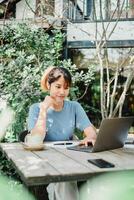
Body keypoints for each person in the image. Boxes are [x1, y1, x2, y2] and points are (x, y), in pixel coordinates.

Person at [27, 66, 97, 200]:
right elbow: (36, 139)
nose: (62, 92)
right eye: (58, 87)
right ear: (49, 85)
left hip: (69, 158)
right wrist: (43, 109)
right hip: (45, 161)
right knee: (64, 179)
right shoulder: (35, 109)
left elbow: (91, 133)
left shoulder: (74, 107)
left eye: (66, 87)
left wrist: (90, 138)